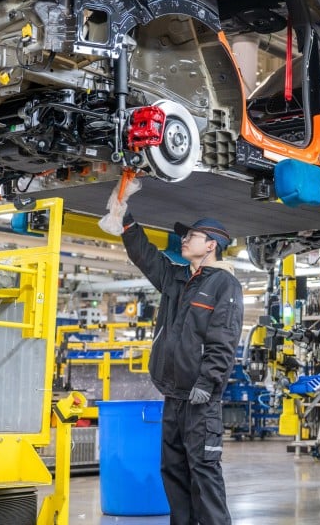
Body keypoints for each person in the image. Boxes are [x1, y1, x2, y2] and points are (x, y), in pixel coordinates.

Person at [100, 175, 244, 525]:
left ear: (211, 244)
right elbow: (146, 257)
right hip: (174, 396)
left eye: (192, 235)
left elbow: (223, 339)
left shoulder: (224, 285)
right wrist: (125, 217)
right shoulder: (178, 279)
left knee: (204, 472)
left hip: (201, 399)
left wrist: (207, 383)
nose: (185, 239)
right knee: (174, 470)